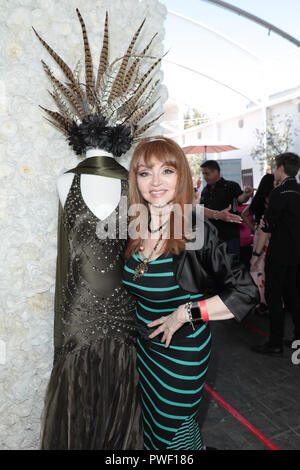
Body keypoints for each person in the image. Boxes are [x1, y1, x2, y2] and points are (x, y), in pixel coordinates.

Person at [34, 9, 162, 449]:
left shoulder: (77, 181)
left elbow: (64, 260)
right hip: (116, 305)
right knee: (114, 394)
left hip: (82, 308)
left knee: (84, 400)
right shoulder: (132, 183)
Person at [122, 137, 259, 450]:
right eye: (145, 173)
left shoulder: (195, 228)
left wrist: (185, 313)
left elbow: (246, 292)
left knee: (175, 435)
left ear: (181, 176)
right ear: (136, 180)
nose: (155, 182)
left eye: (166, 171)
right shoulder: (133, 226)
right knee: (153, 429)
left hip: (182, 353)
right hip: (146, 350)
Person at [251, 153, 300, 356]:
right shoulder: (298, 191)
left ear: (281, 168)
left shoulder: (279, 193)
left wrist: (255, 254)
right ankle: (297, 338)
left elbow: (266, 227)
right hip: (296, 254)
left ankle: (275, 342)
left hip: (279, 254)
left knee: (273, 297)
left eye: (274, 167)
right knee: (294, 297)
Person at [200, 160, 254, 259]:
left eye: (207, 173)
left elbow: (240, 199)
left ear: (216, 172)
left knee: (232, 266)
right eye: (203, 173)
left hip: (229, 234)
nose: (204, 177)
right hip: (211, 237)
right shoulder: (204, 190)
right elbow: (201, 211)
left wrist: (246, 194)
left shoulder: (231, 186)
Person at [242, 173, 274, 314]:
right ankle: (269, 301)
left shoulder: (257, 200)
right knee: (268, 269)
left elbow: (243, 214)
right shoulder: (272, 199)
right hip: (269, 239)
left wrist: (253, 228)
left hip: (257, 238)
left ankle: (259, 302)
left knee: (257, 269)